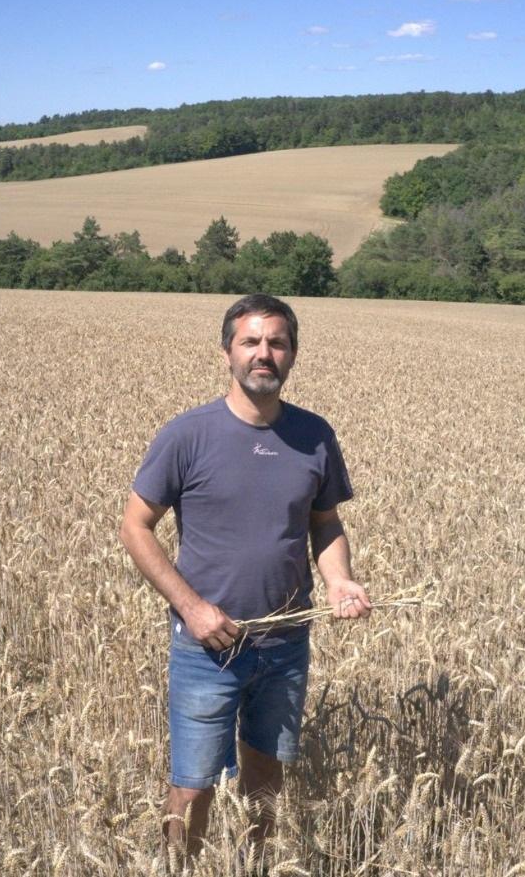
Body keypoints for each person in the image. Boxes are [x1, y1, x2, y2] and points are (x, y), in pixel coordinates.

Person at [119, 293, 372, 865]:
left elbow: (325, 523)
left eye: (276, 343)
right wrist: (192, 608)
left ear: (293, 355)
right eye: (251, 342)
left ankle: (256, 865)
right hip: (207, 647)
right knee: (193, 782)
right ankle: (181, 867)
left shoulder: (314, 435)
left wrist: (339, 581)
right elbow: (135, 527)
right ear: (228, 352)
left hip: (285, 644)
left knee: (266, 776)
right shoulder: (188, 435)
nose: (264, 353)